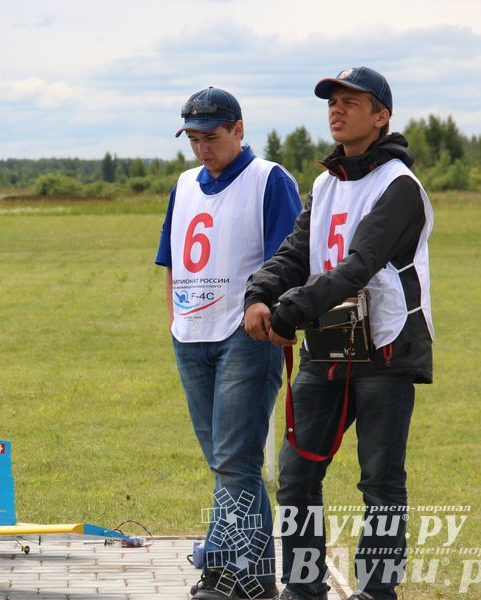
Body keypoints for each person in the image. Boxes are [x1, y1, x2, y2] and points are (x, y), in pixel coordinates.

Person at [244, 67, 434, 600]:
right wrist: (259, 293)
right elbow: (295, 252)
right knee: (298, 475)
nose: (338, 108)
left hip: (386, 350)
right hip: (325, 349)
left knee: (379, 483)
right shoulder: (326, 182)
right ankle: (303, 589)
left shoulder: (399, 186)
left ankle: (377, 592)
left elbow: (359, 264)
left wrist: (287, 312)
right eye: (333, 100)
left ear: (381, 116)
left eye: (352, 101)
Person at [155, 86, 302, 600]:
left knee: (237, 461)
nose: (201, 148)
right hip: (191, 336)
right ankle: (232, 573)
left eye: (211, 137)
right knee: (221, 461)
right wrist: (176, 320)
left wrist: (266, 322)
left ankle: (246, 577)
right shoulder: (183, 184)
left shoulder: (269, 180)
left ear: (239, 129)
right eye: (192, 139)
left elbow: (290, 258)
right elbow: (171, 256)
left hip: (246, 335)